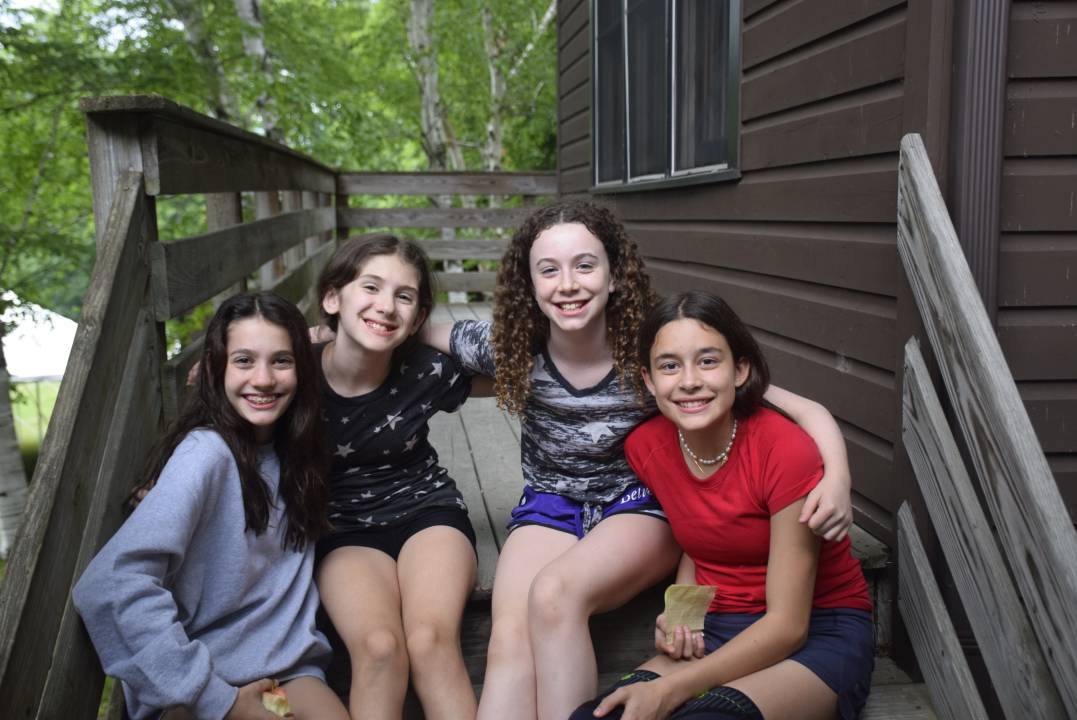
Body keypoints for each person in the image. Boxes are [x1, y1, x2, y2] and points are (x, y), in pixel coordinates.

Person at [420, 200, 856, 720]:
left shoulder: (649, 350)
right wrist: (322, 335)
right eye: (548, 270)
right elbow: (404, 328)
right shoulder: (511, 346)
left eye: (585, 265)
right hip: (551, 502)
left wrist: (838, 474)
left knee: (556, 596)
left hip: (636, 502)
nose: (568, 284)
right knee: (508, 639)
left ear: (613, 275)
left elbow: (790, 404)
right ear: (528, 285)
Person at [569, 290, 873, 720]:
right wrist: (681, 615)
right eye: (670, 366)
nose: (689, 380)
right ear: (649, 380)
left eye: (708, 361)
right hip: (720, 624)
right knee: (599, 716)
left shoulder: (785, 450)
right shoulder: (647, 446)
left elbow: (789, 625)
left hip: (818, 630)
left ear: (740, 369)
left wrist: (672, 689)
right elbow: (701, 534)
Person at [73, 292, 348, 720]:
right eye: (243, 361)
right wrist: (217, 699)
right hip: (202, 683)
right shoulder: (206, 454)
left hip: (291, 669)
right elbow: (109, 585)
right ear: (216, 368)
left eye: (281, 361)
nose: (263, 379)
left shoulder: (299, 452)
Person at [313, 234, 482, 720]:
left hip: (428, 513)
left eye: (403, 296)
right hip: (342, 529)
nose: (386, 306)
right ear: (332, 297)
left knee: (429, 639)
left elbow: (510, 369)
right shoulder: (294, 377)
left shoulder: (426, 369)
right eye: (370, 287)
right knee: (381, 647)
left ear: (418, 317)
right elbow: (229, 405)